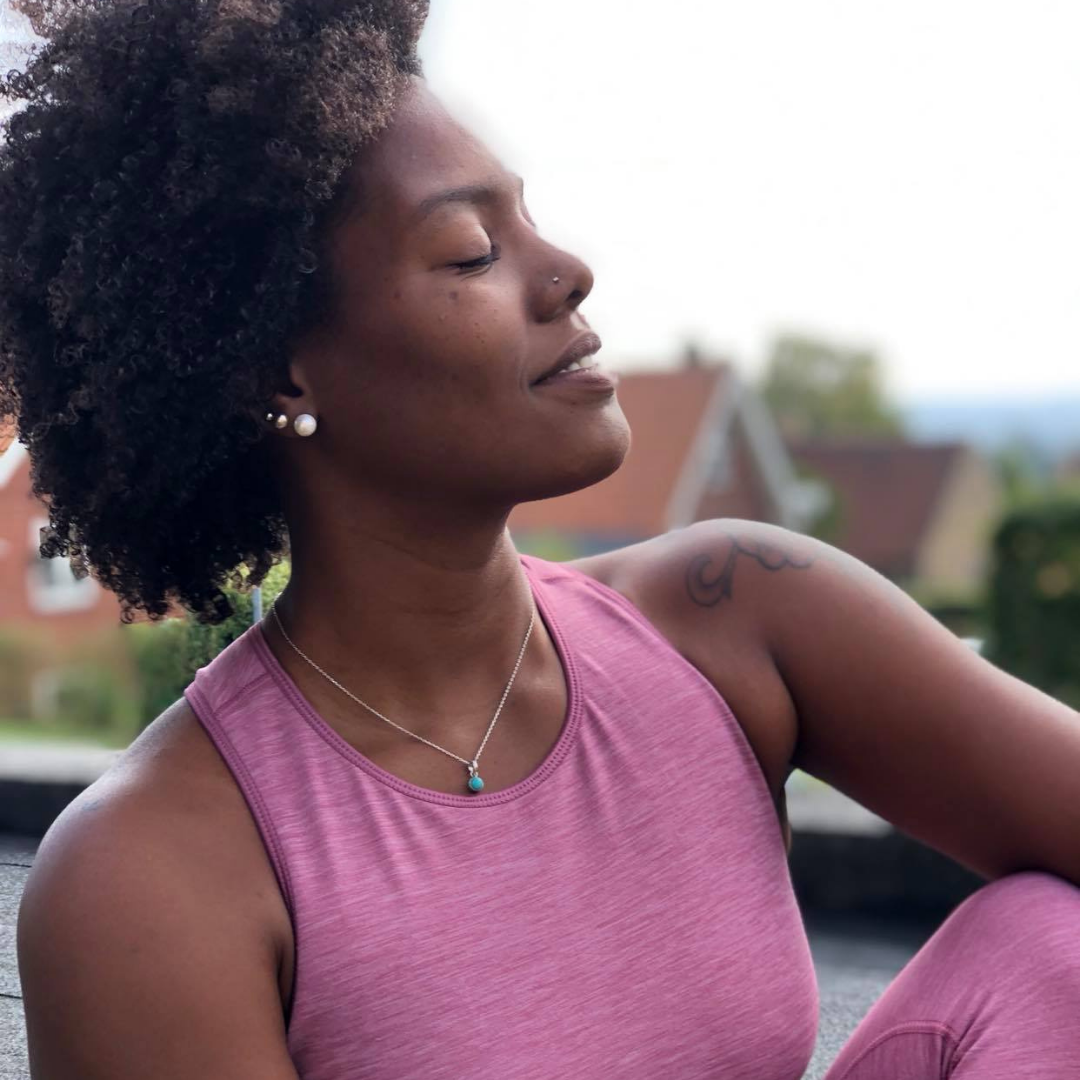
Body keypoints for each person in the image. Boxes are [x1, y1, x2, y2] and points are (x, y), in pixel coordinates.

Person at [2, 2, 1078, 1078]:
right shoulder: (153, 873)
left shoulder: (739, 616)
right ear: (279, 376)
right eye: (471, 252)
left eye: (528, 221)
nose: (567, 270)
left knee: (1048, 948)